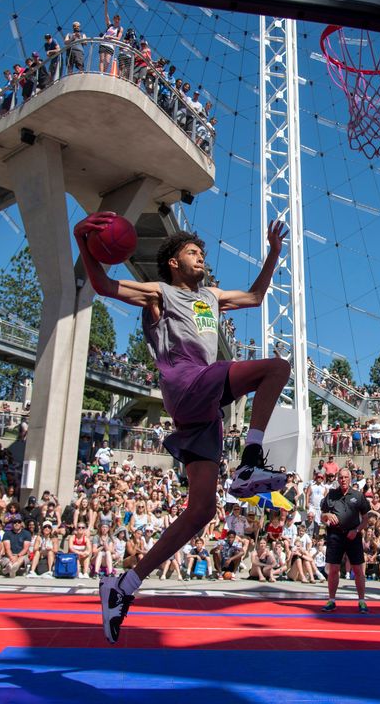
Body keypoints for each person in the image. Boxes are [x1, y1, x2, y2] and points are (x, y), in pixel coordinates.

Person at [75, 212, 292, 644]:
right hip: (187, 382)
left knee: (202, 511)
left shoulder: (210, 296)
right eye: (193, 252)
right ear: (174, 262)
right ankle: (250, 462)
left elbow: (253, 296)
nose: (201, 257)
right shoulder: (160, 294)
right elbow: (103, 286)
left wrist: (272, 254)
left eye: (202, 253)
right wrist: (82, 240)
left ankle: (123, 587)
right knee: (277, 368)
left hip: (201, 410)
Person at [320, 468, 373, 612]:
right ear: (337, 479)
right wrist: (327, 516)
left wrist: (356, 531)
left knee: (358, 569)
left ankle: (362, 601)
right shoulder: (331, 494)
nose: (343, 480)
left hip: (353, 536)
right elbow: (322, 515)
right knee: (333, 569)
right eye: (341, 477)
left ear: (350, 479)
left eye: (345, 477)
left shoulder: (358, 495)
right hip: (335, 535)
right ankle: (331, 600)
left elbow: (366, 519)